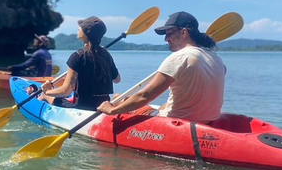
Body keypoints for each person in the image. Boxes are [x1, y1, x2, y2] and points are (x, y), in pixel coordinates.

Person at [97, 11, 226, 123]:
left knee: (118, 98)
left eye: (169, 33)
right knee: (164, 105)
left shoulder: (180, 57)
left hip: (175, 123)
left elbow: (145, 96)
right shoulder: (217, 59)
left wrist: (112, 109)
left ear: (184, 33)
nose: (166, 39)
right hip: (207, 121)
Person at [39, 16, 121, 110]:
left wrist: (47, 91)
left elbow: (66, 91)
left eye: (81, 27)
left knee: (44, 96)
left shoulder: (77, 56)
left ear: (87, 33)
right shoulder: (106, 55)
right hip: (103, 106)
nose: (78, 28)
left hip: (82, 109)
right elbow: (117, 79)